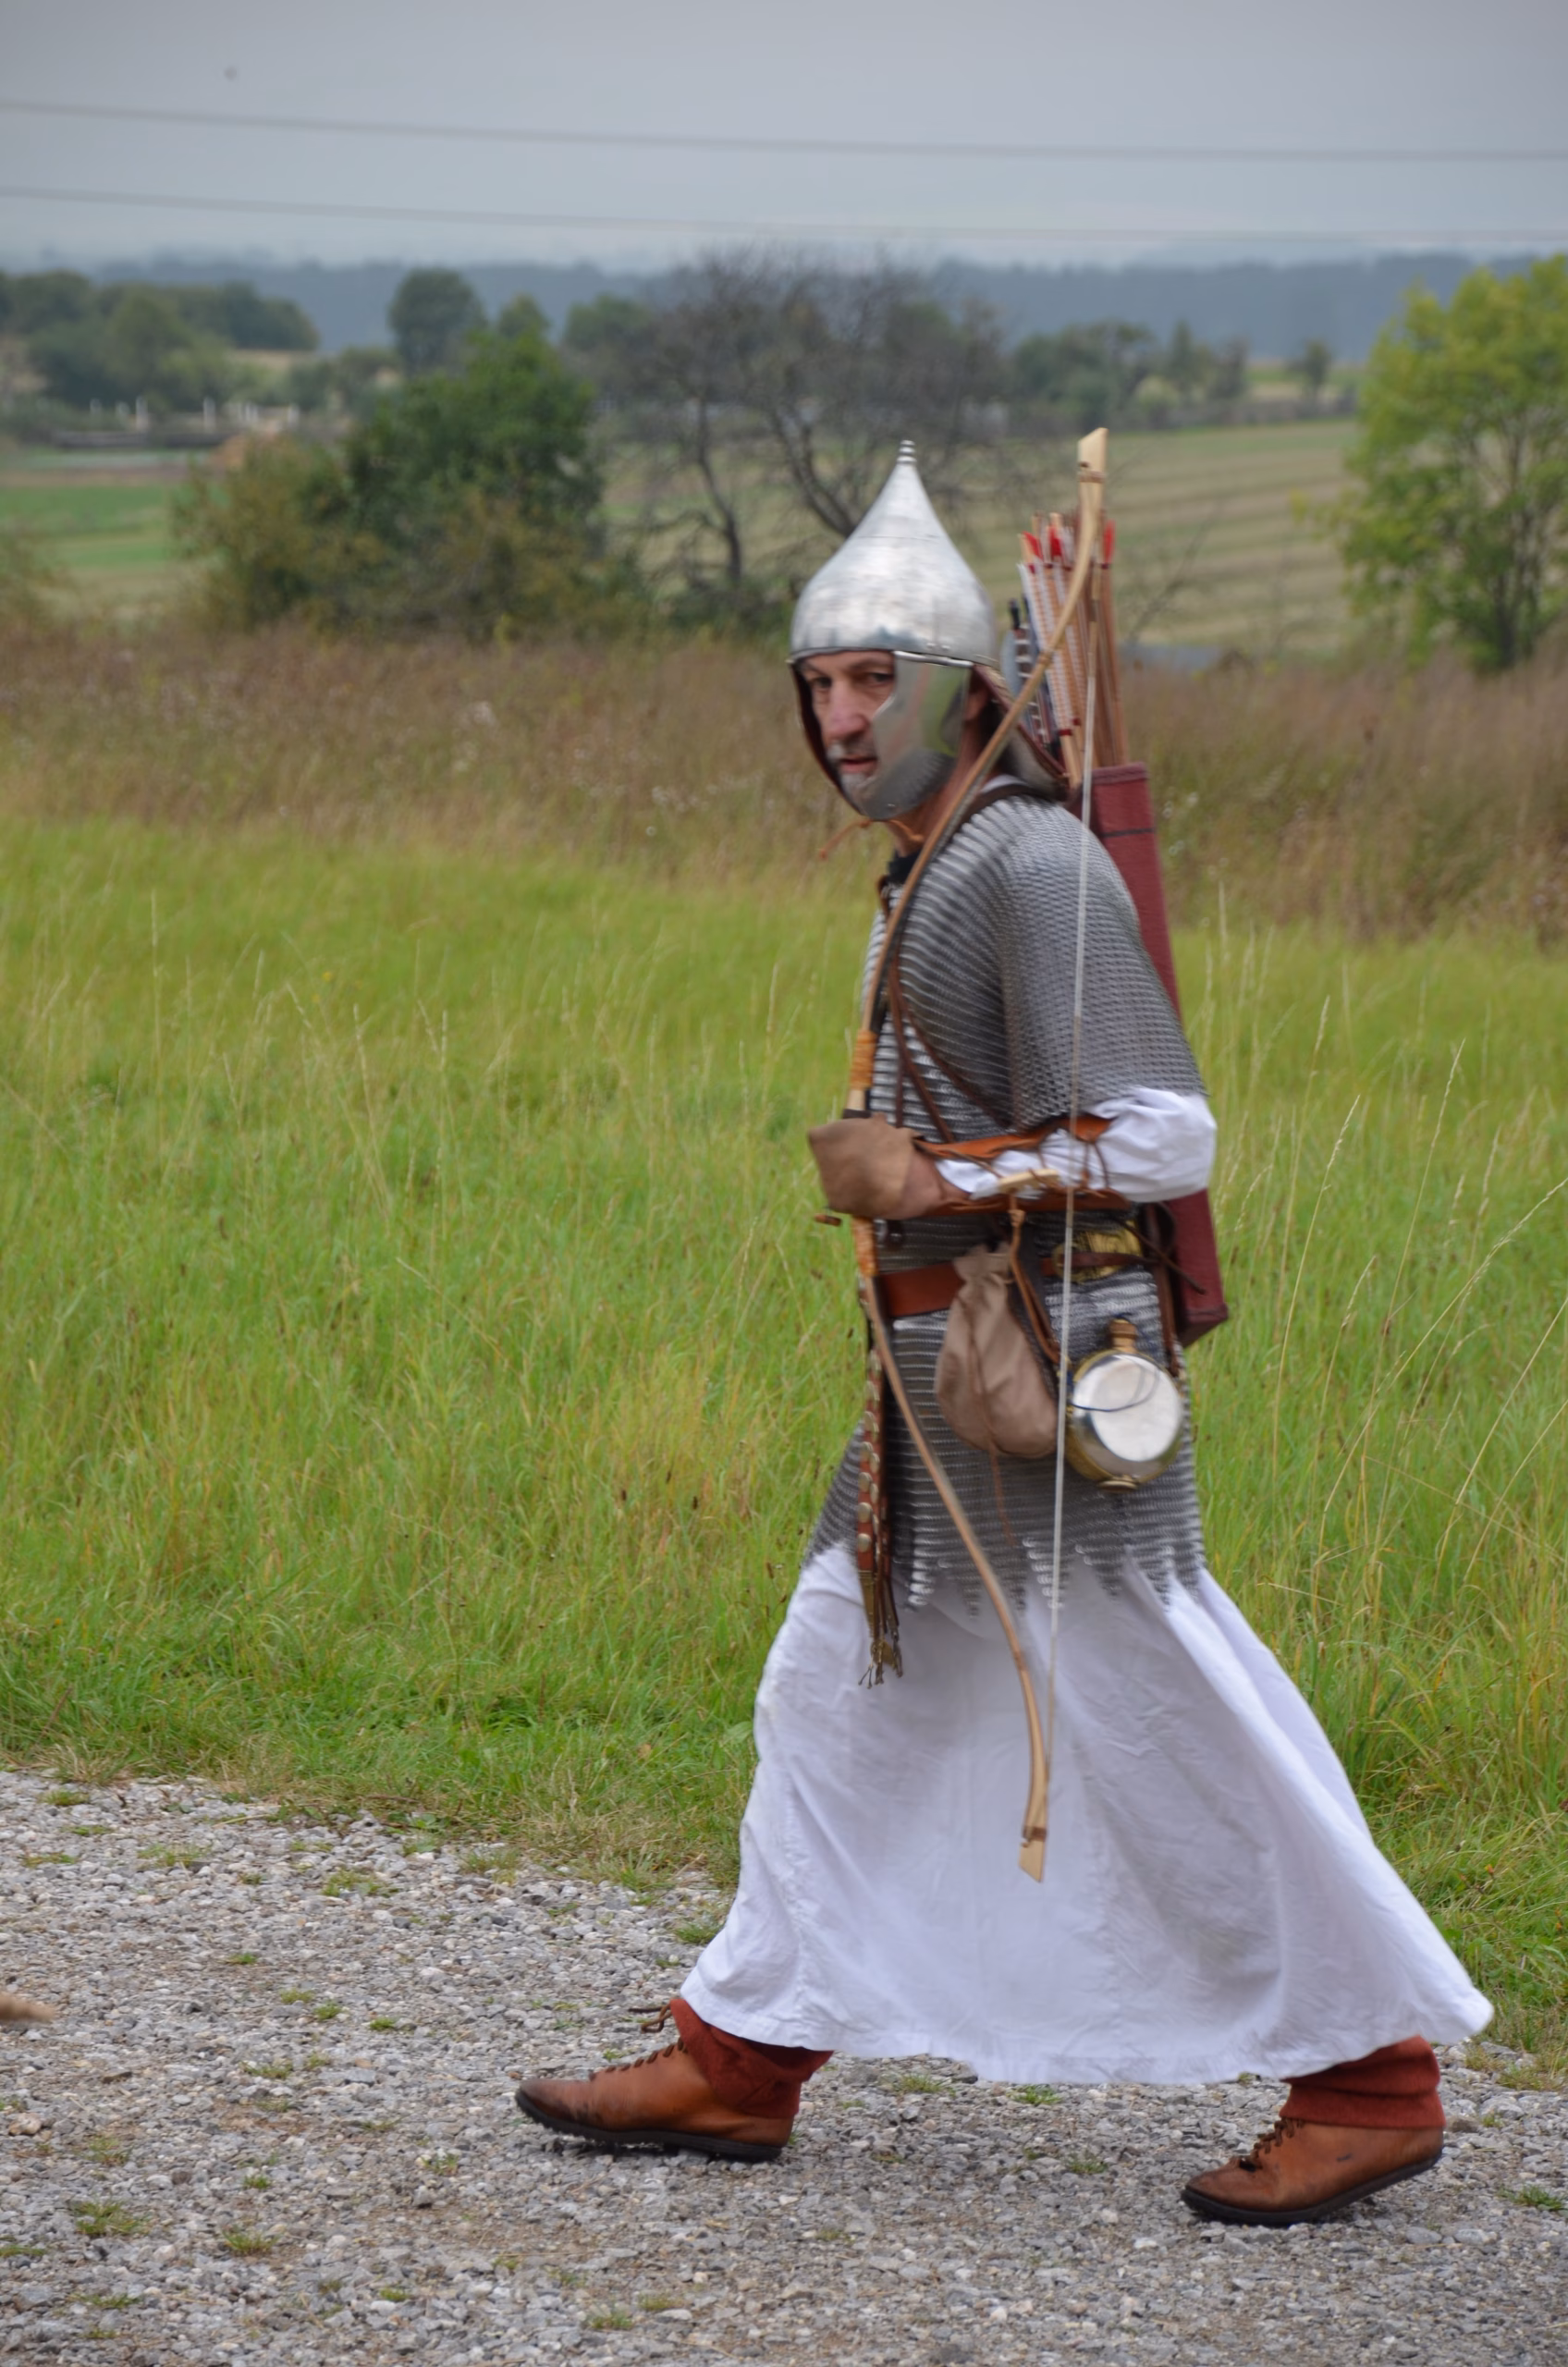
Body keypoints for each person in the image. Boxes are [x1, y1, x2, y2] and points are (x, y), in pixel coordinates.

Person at [517, 445, 1489, 2226]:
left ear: (965, 688)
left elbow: (1165, 1133)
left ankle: (1373, 2076)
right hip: (938, 1386)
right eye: (815, 681)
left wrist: (944, 1163)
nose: (835, 713)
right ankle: (741, 2055)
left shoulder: (1020, 863)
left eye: (870, 676)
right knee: (835, 1692)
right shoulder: (927, 862)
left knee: (1159, 1717)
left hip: (1041, 1382)